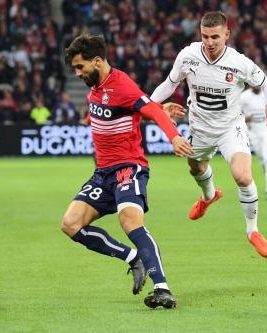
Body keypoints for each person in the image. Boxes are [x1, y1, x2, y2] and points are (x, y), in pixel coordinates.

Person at [62, 33, 194, 309]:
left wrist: (174, 136)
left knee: (130, 222)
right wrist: (151, 108)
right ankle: (132, 258)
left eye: (79, 66)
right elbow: (126, 110)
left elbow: (152, 112)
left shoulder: (121, 84)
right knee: (71, 224)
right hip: (103, 173)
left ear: (97, 61)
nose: (77, 73)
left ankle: (163, 288)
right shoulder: (95, 87)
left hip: (128, 168)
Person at [150, 11, 267, 258]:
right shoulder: (188, 56)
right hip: (199, 128)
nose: (209, 43)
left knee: (242, 177)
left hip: (230, 128)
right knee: (196, 169)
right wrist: (147, 105)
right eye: (205, 37)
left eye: (215, 37)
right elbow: (170, 84)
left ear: (227, 35)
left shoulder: (239, 62)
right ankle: (209, 196)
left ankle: (252, 231)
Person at [240, 86, 267, 201]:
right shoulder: (244, 97)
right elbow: (237, 113)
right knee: (263, 159)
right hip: (253, 130)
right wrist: (244, 118)